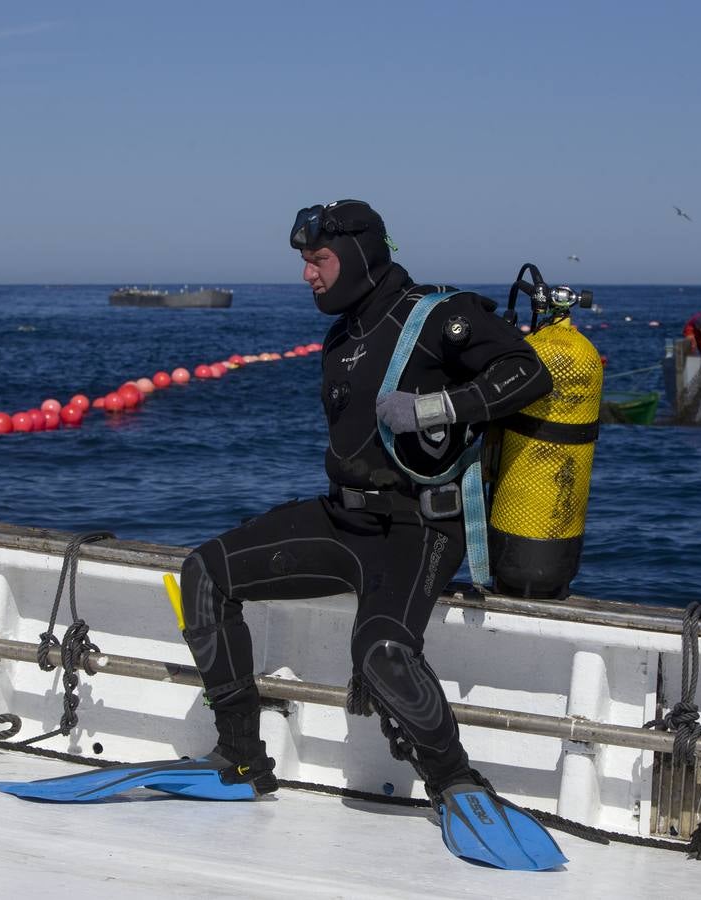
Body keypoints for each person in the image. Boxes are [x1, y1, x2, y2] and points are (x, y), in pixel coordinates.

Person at [174, 199, 562, 866]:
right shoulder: (343, 334)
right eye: (304, 261)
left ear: (356, 255)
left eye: (318, 260)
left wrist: (441, 405)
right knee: (204, 574)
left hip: (417, 528)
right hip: (343, 518)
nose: (308, 275)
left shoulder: (442, 315)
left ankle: (456, 781)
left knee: (382, 651)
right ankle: (239, 757)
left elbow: (529, 373)